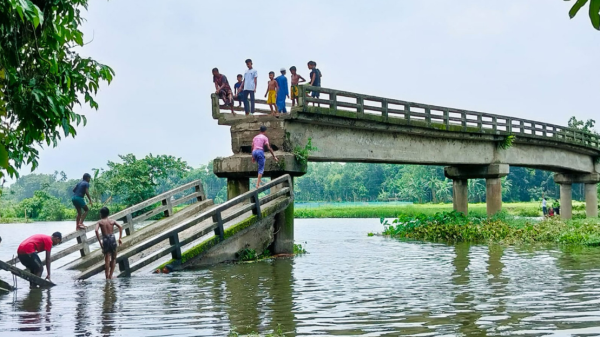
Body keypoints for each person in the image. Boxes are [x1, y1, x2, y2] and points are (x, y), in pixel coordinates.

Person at [94, 207, 123, 280]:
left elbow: (96, 230)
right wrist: (120, 238)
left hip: (106, 239)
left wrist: (100, 242)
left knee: (107, 258)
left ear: (101, 214)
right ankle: (110, 276)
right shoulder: (112, 221)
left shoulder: (100, 222)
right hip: (112, 239)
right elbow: (120, 227)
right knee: (113, 258)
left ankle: (107, 277)